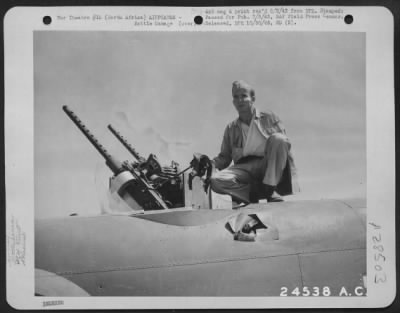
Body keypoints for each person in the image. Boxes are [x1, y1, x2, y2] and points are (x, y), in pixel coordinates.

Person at [210, 80, 299, 204]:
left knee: (279, 139)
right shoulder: (231, 128)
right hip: (244, 168)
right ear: (233, 102)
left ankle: (271, 189)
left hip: (267, 164)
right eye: (236, 97)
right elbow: (224, 158)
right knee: (215, 180)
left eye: (243, 96)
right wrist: (209, 164)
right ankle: (249, 195)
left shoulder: (268, 117)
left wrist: (285, 177)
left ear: (252, 98)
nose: (240, 100)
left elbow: (283, 146)